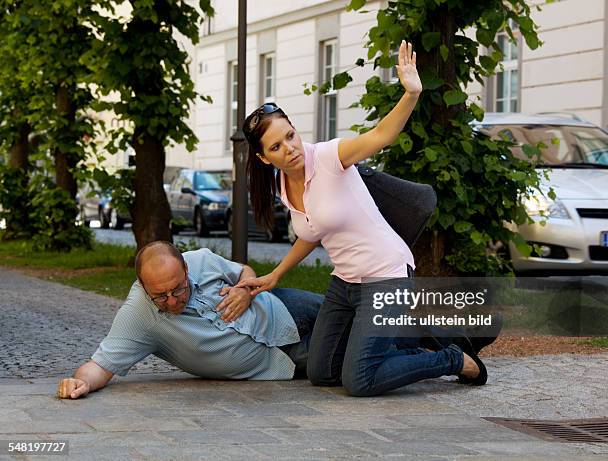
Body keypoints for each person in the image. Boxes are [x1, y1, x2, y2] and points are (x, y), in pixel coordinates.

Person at [236, 40, 487, 397]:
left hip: (385, 276)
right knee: (322, 372)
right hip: (345, 284)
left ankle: (451, 358)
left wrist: (411, 93)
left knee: (360, 380)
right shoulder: (281, 183)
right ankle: (400, 348)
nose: (289, 149)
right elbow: (312, 231)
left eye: (290, 136)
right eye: (275, 147)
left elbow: (381, 135)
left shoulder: (329, 156)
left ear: (295, 129)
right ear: (263, 158)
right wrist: (277, 273)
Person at [57, 241, 323, 399]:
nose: (172, 301)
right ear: (142, 284)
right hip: (283, 356)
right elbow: (100, 365)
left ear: (185, 268)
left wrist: (244, 289)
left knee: (353, 310)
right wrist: (81, 382)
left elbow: (244, 270)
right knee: (352, 352)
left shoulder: (201, 260)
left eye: (179, 289)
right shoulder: (138, 315)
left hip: (284, 306)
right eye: (160, 296)